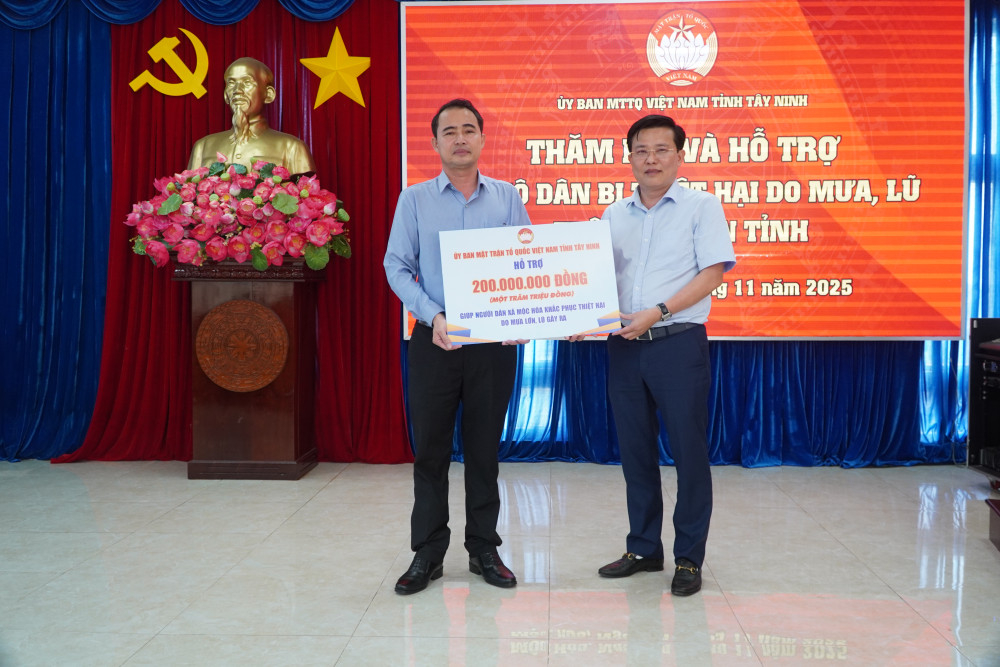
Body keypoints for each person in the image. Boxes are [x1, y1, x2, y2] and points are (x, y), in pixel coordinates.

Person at [383, 99, 530, 595]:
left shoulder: (507, 198)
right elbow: (396, 266)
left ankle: (483, 547)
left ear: (483, 139)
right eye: (450, 132)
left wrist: (524, 313)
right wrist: (434, 315)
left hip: (493, 344)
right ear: (435, 143)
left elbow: (527, 264)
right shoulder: (415, 199)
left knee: (484, 450)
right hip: (436, 338)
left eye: (469, 129)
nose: (460, 138)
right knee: (431, 450)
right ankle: (428, 552)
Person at [596, 114, 736, 596]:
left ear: (680, 155)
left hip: (678, 343)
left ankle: (689, 558)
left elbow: (713, 272)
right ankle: (643, 548)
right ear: (629, 157)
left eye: (661, 150)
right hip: (623, 347)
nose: (650, 159)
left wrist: (657, 312)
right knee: (635, 452)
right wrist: (579, 315)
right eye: (641, 150)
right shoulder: (613, 215)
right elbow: (594, 278)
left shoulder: (702, 206)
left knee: (689, 453)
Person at [187, 57, 316, 174]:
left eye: (247, 82)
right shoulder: (203, 147)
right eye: (231, 83)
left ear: (268, 94)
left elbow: (307, 190)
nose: (237, 90)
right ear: (226, 95)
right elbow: (187, 189)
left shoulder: (292, 147)